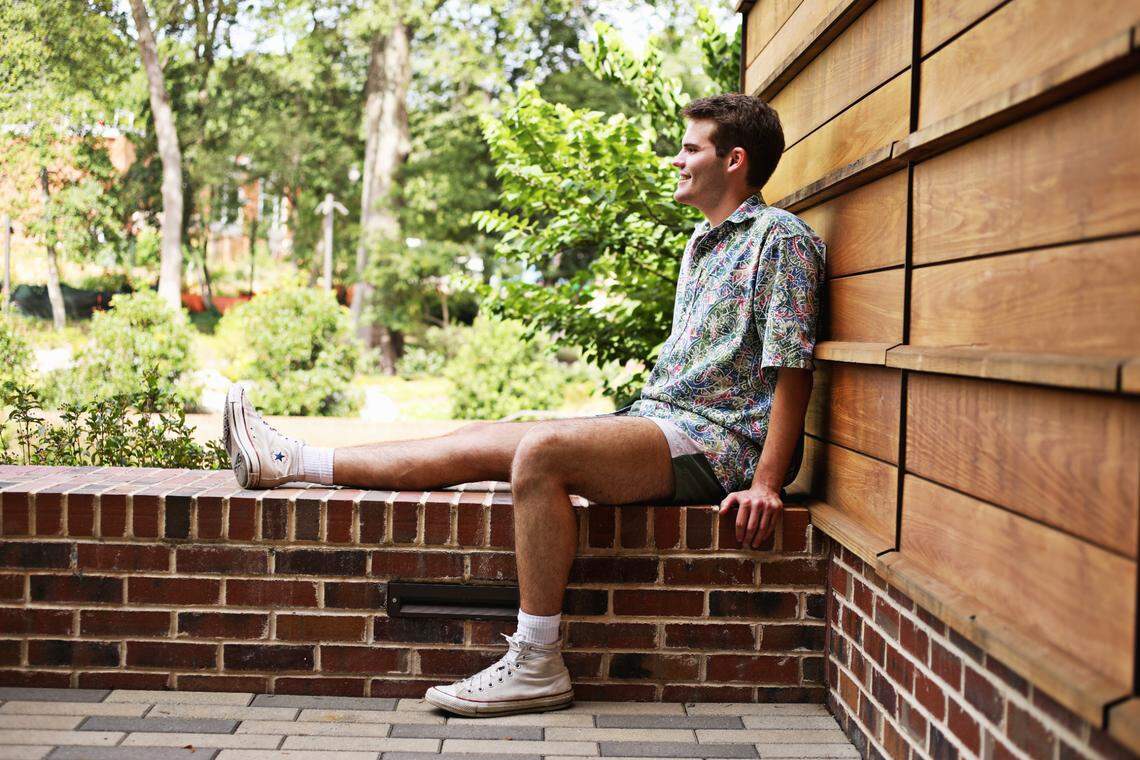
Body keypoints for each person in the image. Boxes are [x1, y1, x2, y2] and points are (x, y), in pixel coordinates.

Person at [222, 93, 825, 718]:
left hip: (719, 444)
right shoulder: (703, 242)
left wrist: (765, 484)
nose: (676, 160)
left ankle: (538, 661)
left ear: (733, 160)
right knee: (481, 437)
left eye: (690, 148)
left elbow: (792, 370)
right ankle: (289, 461)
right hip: (660, 421)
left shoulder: (779, 240)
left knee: (541, 452)